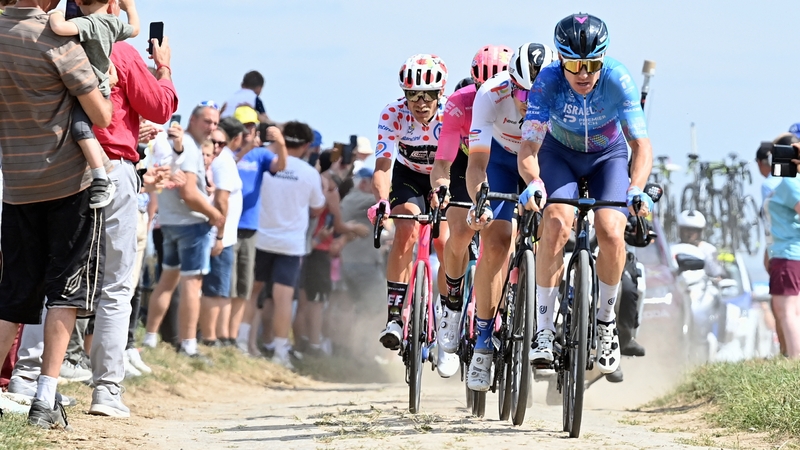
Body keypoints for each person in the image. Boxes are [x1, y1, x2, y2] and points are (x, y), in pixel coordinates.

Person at [518, 13, 654, 376]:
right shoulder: (546, 82)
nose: (583, 74)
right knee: (558, 222)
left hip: (607, 157)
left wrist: (637, 187)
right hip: (558, 154)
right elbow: (529, 145)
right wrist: (534, 183)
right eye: (574, 64)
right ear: (560, 58)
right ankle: (544, 331)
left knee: (611, 230)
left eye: (592, 64)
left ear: (603, 59)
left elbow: (640, 144)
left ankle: (606, 323)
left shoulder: (618, 78)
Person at [0, 0, 115, 428]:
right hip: (70, 183)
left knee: (13, 294)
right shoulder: (55, 36)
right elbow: (102, 115)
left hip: (17, 182)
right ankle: (45, 400)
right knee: (65, 292)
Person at [463, 42, 555, 390]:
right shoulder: (490, 93)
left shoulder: (562, 92)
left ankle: (557, 320)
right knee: (498, 241)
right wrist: (480, 202)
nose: (527, 102)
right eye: (521, 93)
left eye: (536, 95)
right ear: (510, 82)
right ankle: (484, 341)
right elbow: (476, 164)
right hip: (501, 160)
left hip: (544, 159)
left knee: (558, 229)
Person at [431, 44, 511, 380]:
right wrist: (442, 188)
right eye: (481, 87)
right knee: (460, 233)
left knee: (509, 241)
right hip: (469, 165)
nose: (488, 94)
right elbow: (444, 161)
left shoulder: (522, 101)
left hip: (506, 164)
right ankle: (450, 305)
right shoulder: (460, 103)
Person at [369, 53, 449, 354]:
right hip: (408, 176)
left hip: (446, 176)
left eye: (427, 94)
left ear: (440, 92)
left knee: (445, 243)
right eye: (412, 94)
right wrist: (381, 202)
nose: (420, 101)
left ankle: (446, 315)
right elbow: (383, 167)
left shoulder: (451, 112)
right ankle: (394, 318)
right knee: (406, 229)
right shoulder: (392, 114)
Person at [143, 104, 225, 361]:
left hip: (169, 221)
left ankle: (150, 337)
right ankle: (188, 344)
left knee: (167, 280)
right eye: (207, 121)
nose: (211, 127)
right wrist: (215, 215)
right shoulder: (188, 145)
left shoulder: (179, 144)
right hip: (190, 223)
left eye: (214, 123)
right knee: (192, 283)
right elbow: (188, 192)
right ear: (193, 119)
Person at [48, 0, 140, 209]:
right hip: (101, 89)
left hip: (90, 91)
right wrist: (130, 8)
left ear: (78, 2)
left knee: (80, 129)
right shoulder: (111, 23)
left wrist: (55, 12)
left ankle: (101, 178)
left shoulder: (88, 23)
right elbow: (135, 30)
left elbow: (59, 27)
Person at [251, 121, 324, 369]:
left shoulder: (266, 161)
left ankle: (242, 342)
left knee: (253, 294)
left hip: (260, 237)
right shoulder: (309, 172)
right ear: (306, 145)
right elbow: (317, 207)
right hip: (290, 244)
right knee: (283, 299)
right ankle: (280, 351)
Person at [229, 107, 287, 355]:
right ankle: (220, 335)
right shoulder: (229, 150)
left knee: (245, 285)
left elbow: (280, 166)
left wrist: (281, 143)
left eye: (252, 126)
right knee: (227, 284)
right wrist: (246, 148)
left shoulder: (261, 154)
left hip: (251, 226)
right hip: (228, 223)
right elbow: (225, 166)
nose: (249, 130)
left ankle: (235, 338)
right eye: (244, 126)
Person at [199, 125, 243, 347]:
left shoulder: (224, 160)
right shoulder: (223, 162)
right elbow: (222, 200)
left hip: (224, 235)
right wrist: (219, 235)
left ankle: (214, 336)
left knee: (220, 289)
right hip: (219, 236)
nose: (216, 147)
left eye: (221, 143)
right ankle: (209, 338)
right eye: (213, 142)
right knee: (214, 289)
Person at [763, 174, 800, 358]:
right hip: (788, 254)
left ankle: (795, 360)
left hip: (788, 254)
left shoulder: (791, 181)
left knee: (787, 310)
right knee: (790, 310)